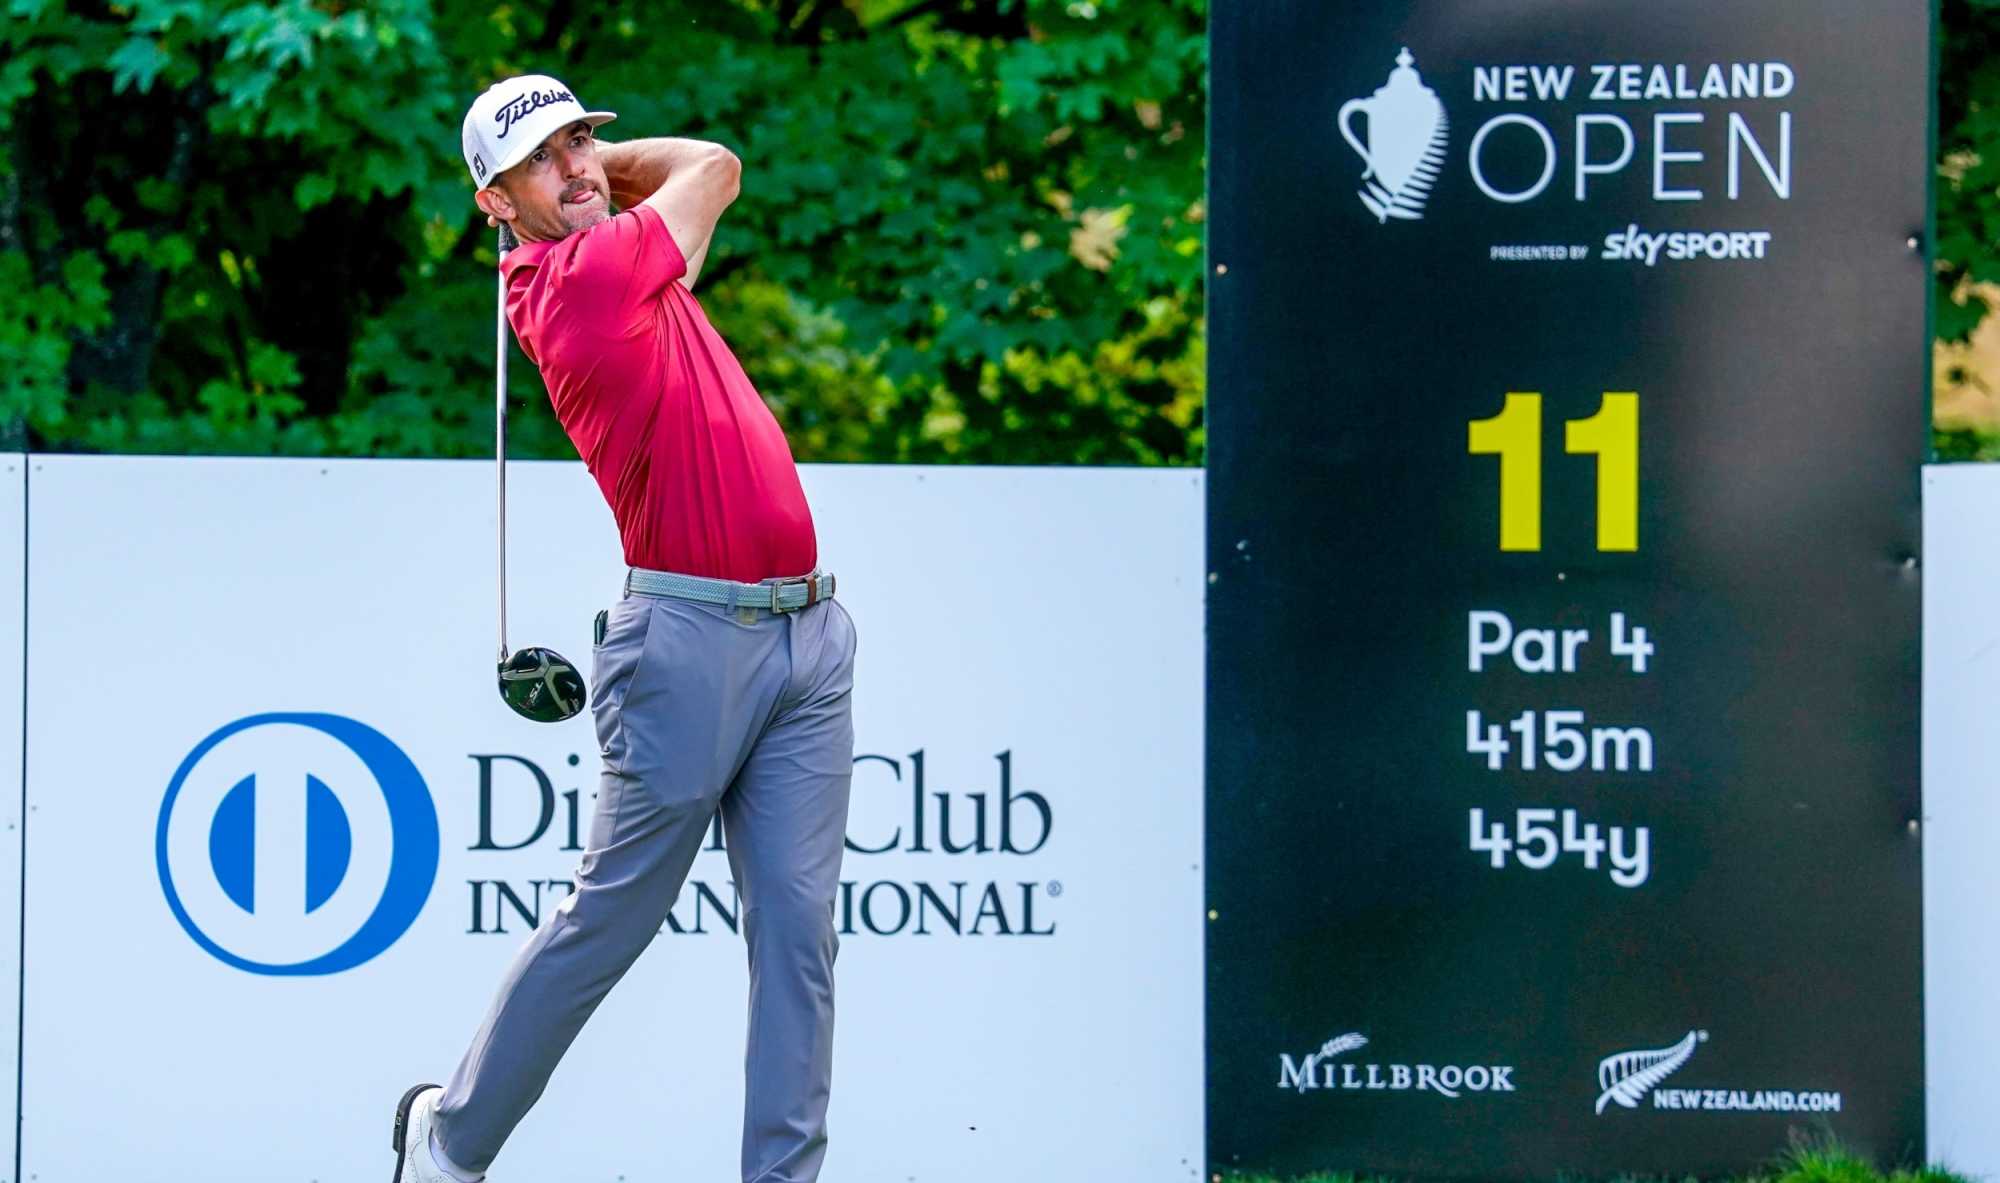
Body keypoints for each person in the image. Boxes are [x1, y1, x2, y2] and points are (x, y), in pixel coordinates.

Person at [391, 73, 859, 1183]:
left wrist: (579, 164)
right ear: (493, 205)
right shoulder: (585, 281)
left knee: (798, 935)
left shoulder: (616, 251)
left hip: (809, 633)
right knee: (611, 918)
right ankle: (448, 1140)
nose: (578, 165)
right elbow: (715, 165)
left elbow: (663, 182)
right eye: (541, 161)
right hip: (687, 643)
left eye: (583, 140)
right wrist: (598, 177)